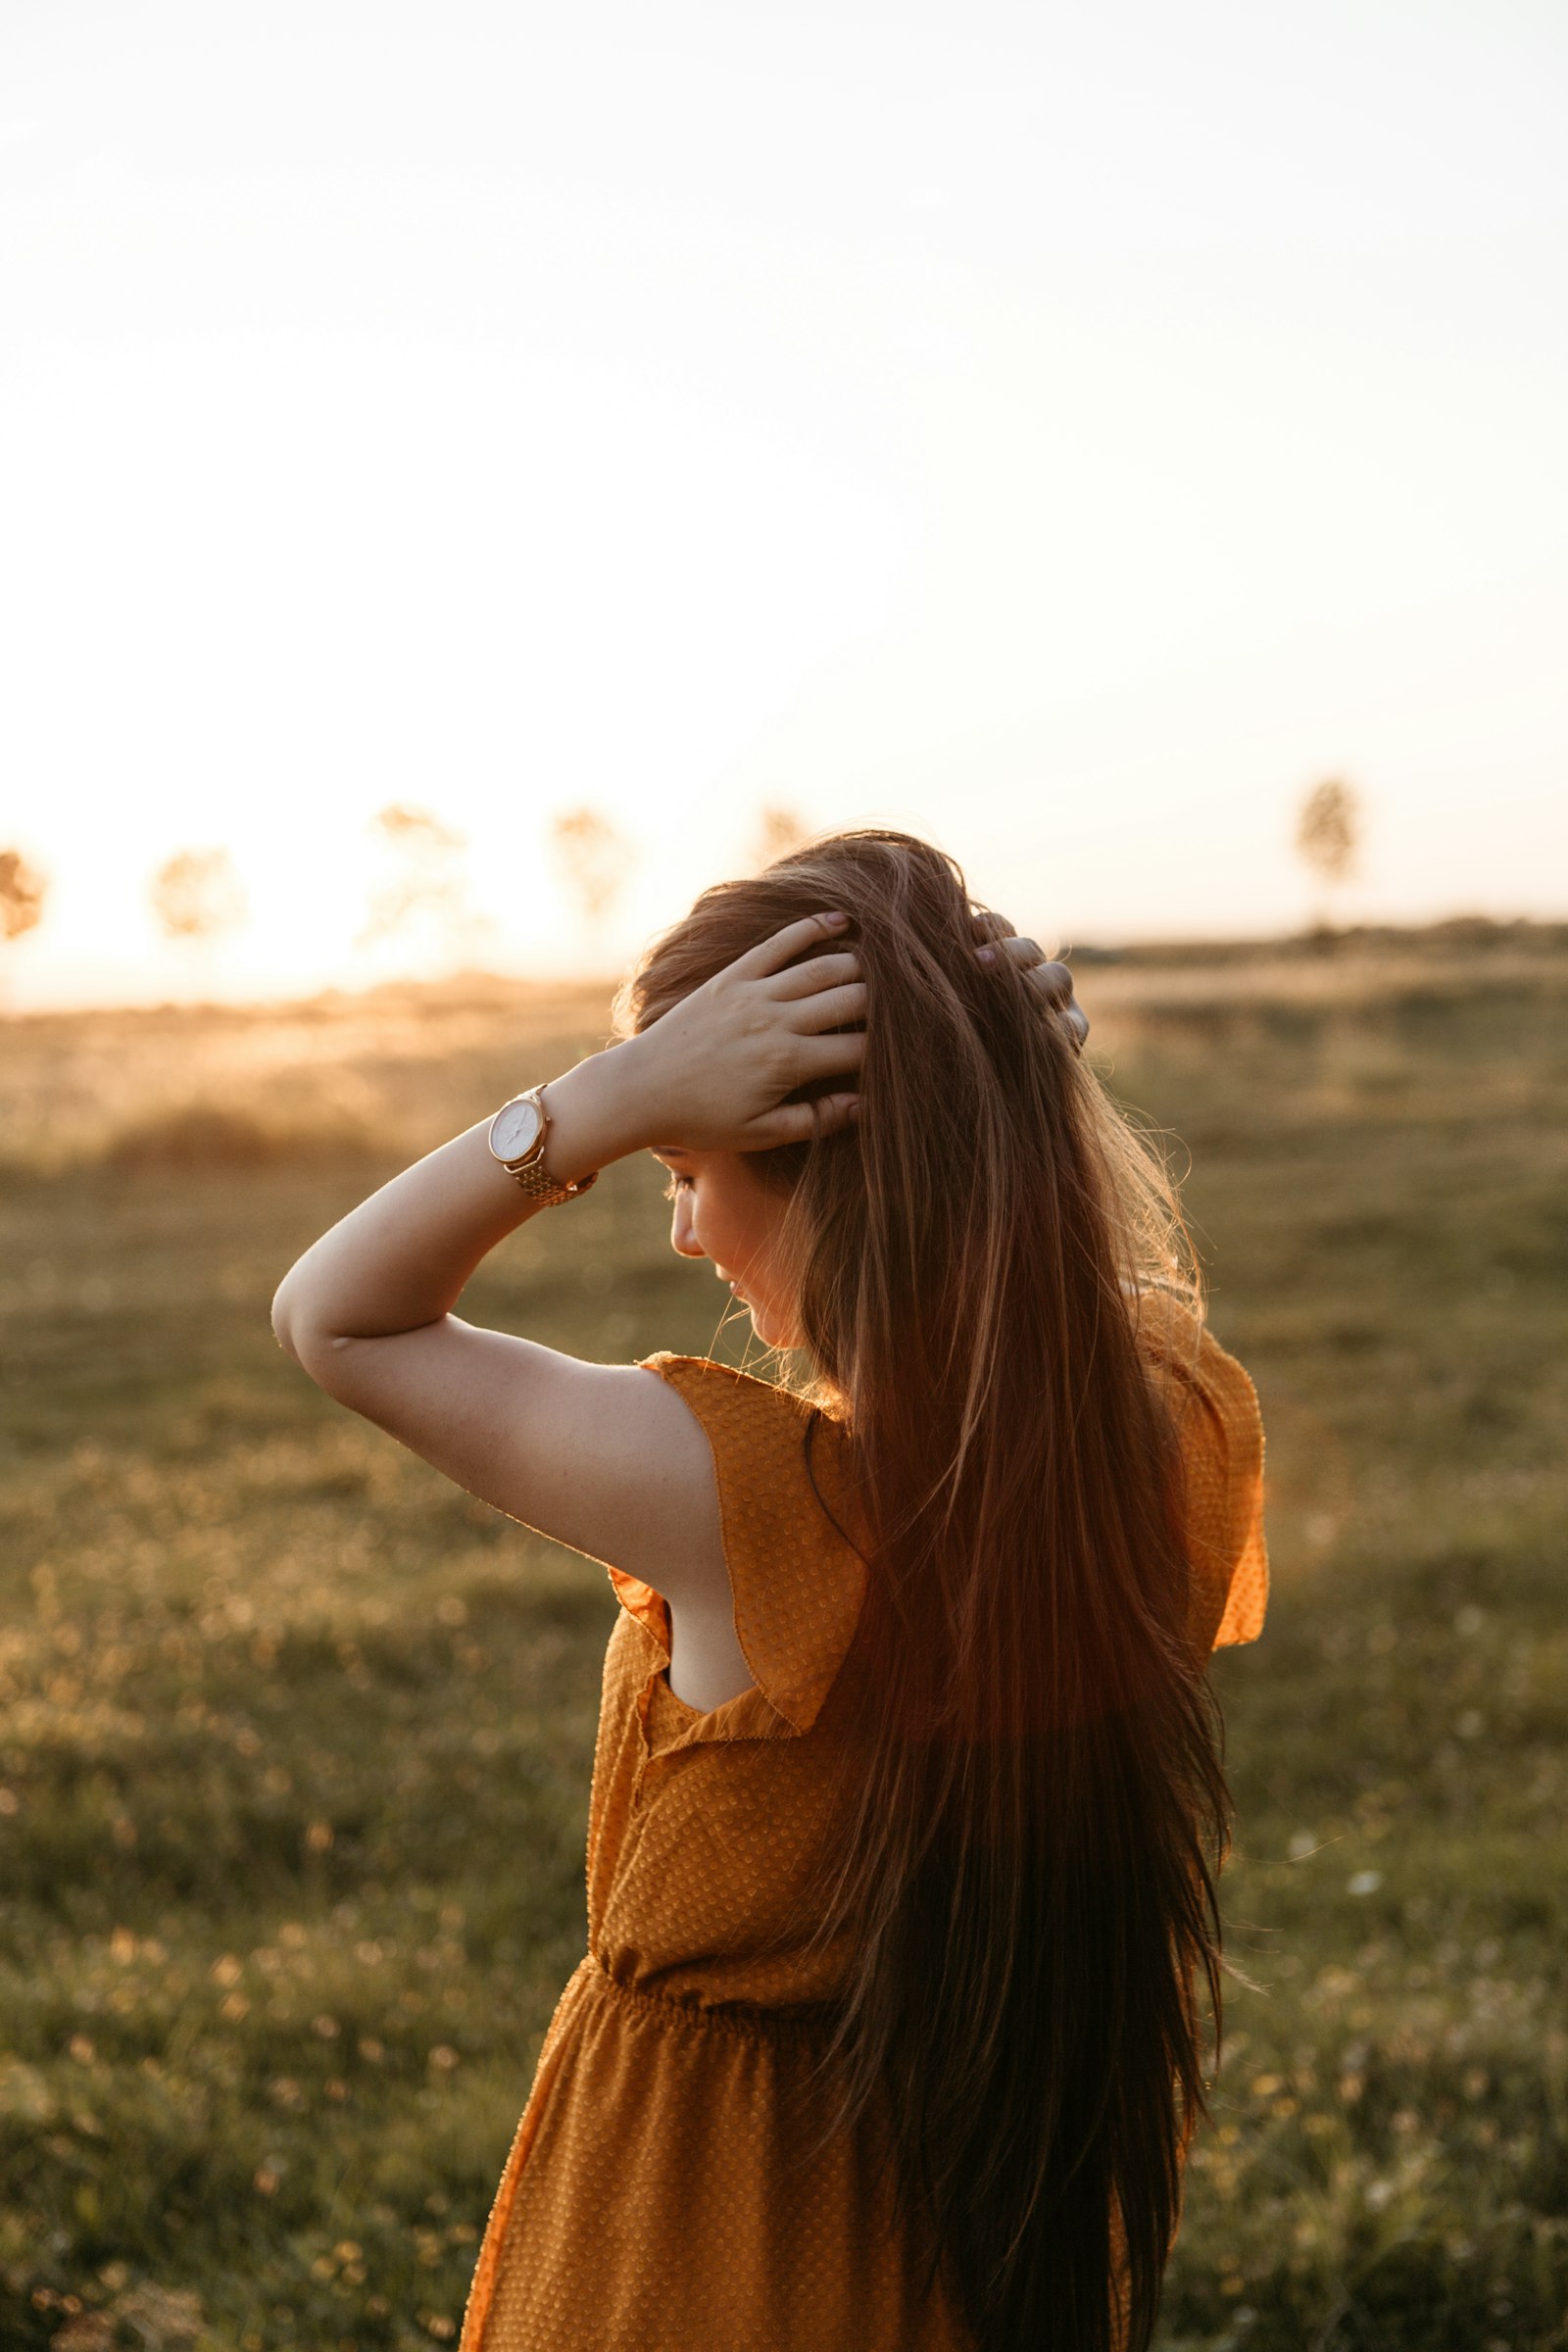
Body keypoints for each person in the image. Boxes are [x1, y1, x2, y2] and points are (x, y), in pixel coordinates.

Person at [271, 827, 1266, 2351]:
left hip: (683, 2241)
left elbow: (336, 1317)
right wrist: (1008, 1091)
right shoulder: (1168, 1433)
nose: (679, 1226)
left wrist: (593, 1105)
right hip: (961, 2233)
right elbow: (1075, 1296)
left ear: (838, 1184)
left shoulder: (751, 1503)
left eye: (684, 1169)